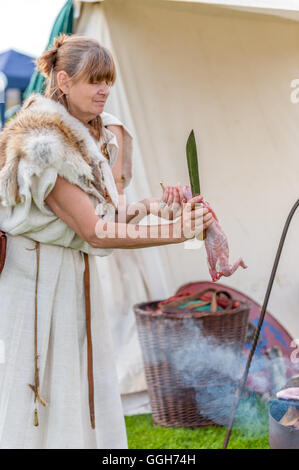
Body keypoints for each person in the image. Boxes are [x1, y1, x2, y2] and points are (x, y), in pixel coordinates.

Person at [0, 34, 213, 449]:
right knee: (35, 387)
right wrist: (178, 232)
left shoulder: (89, 139)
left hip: (73, 274)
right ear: (62, 81)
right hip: (36, 279)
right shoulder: (43, 144)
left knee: (76, 383)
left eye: (108, 80)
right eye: (93, 80)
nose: (104, 89)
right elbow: (95, 231)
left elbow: (105, 217)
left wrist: (152, 207)